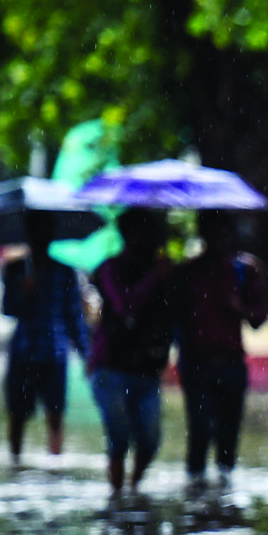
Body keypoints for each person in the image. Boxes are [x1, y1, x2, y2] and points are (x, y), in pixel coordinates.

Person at [173, 211, 268, 491]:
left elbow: (259, 318)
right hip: (196, 364)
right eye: (212, 231)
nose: (218, 237)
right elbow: (175, 317)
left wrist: (239, 307)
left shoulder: (244, 270)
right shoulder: (186, 273)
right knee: (199, 432)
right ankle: (196, 494)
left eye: (222, 231)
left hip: (231, 364)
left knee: (228, 437)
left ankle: (223, 497)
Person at [87, 209, 175, 497]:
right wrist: (154, 278)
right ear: (128, 235)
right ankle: (117, 498)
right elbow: (125, 306)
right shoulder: (111, 268)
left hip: (147, 368)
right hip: (111, 366)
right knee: (119, 437)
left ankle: (133, 491)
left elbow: (171, 314)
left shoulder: (162, 270)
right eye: (142, 232)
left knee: (150, 440)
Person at [2, 210, 89, 467]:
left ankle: (55, 467)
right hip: (23, 352)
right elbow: (7, 308)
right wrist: (23, 292)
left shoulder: (64, 272)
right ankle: (15, 464)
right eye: (35, 230)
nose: (41, 236)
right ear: (28, 234)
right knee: (18, 415)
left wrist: (87, 355)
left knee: (56, 416)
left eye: (45, 230)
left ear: (52, 234)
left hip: (54, 353)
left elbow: (74, 316)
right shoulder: (15, 270)